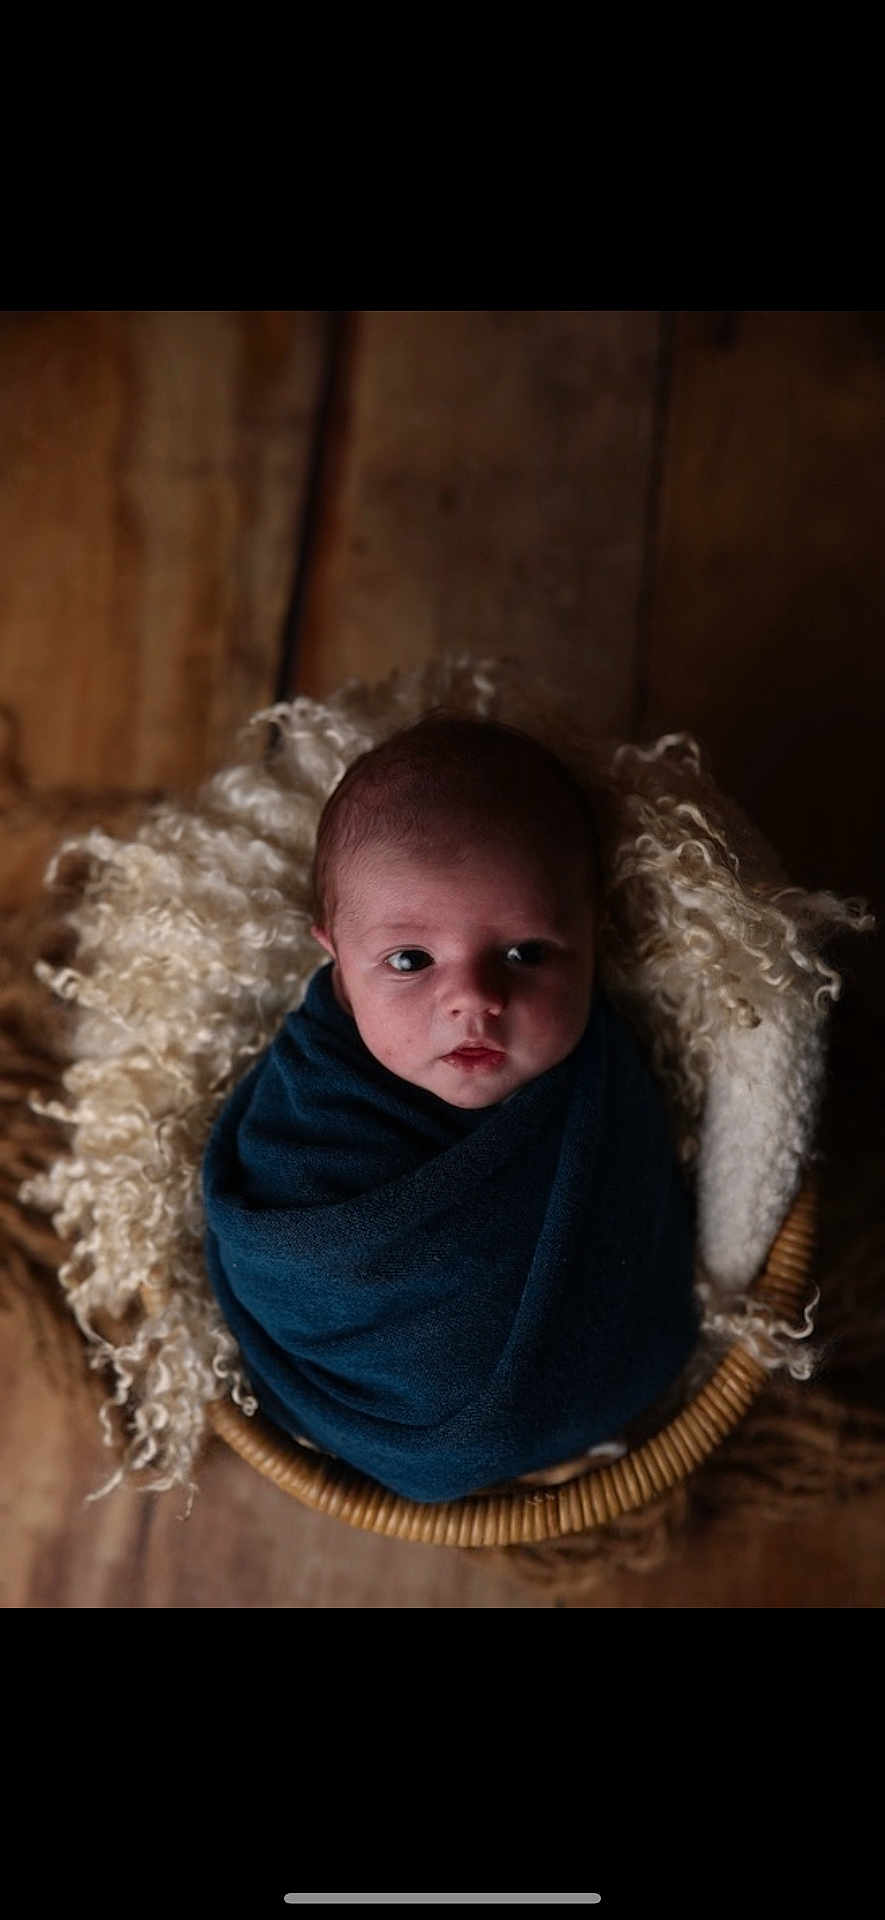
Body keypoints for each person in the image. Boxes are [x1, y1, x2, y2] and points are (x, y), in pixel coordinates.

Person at [201, 713, 699, 1502]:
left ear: (593, 937)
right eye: (408, 960)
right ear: (335, 961)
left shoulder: (598, 1067)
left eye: (524, 954)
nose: (472, 998)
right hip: (356, 1411)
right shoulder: (311, 1108)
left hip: (602, 1401)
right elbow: (280, 1255)